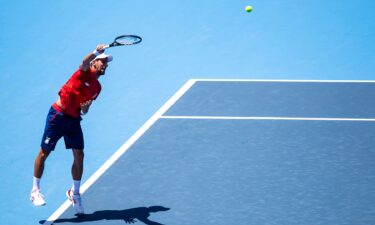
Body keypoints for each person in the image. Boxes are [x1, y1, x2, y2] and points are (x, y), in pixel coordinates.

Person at [30, 44, 113, 215]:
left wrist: (86, 108)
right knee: (44, 153)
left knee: (79, 155)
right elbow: (84, 61)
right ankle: (35, 191)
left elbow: (85, 110)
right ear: (94, 63)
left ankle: (74, 193)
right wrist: (96, 51)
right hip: (57, 116)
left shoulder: (97, 88)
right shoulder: (83, 72)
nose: (105, 65)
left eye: (106, 63)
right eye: (102, 61)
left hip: (74, 119)